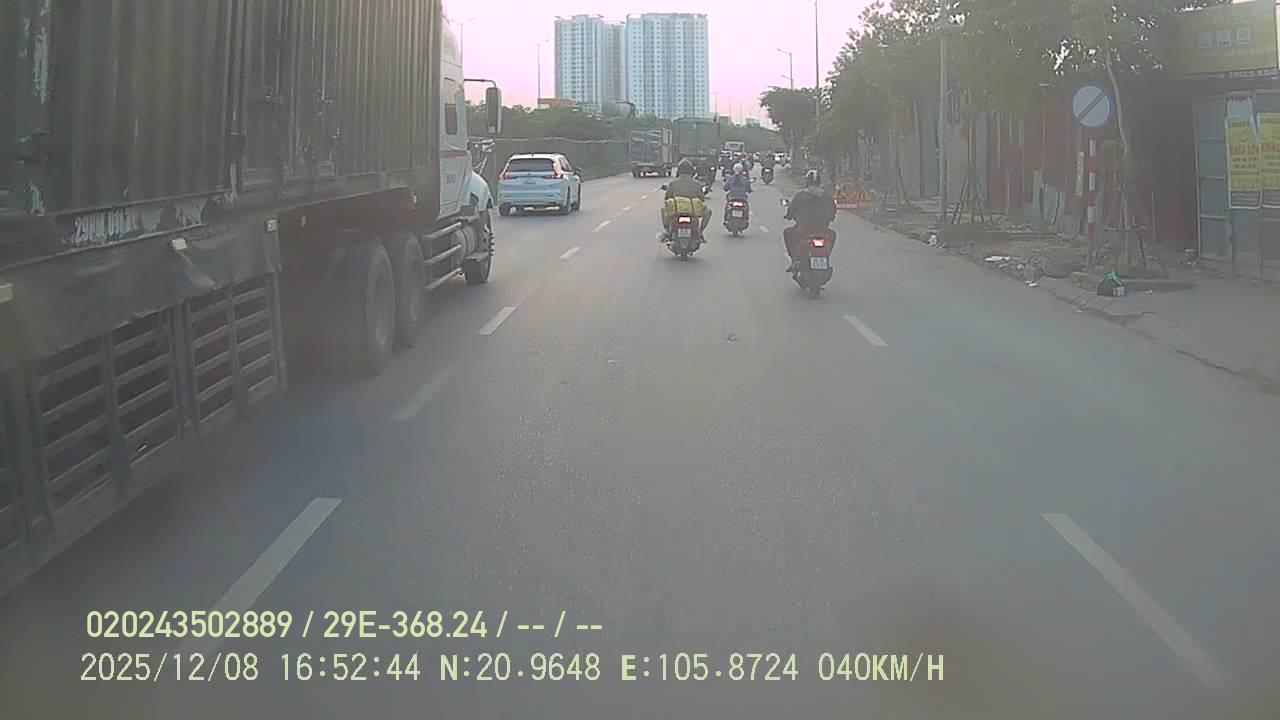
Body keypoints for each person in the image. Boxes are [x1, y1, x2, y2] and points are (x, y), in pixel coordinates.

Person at [783, 169, 837, 271]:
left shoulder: (800, 196)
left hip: (804, 231)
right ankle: (826, 256)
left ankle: (793, 260)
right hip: (823, 231)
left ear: (807, 181)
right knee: (833, 234)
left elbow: (791, 212)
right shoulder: (827, 197)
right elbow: (832, 215)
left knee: (788, 232)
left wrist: (789, 216)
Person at [662, 159, 712, 239]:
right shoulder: (697, 184)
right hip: (692, 212)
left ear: (679, 171)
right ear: (691, 171)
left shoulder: (673, 183)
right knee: (708, 211)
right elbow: (702, 198)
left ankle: (668, 232)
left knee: (663, 209)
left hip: (676, 211)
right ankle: (700, 232)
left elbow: (667, 197)